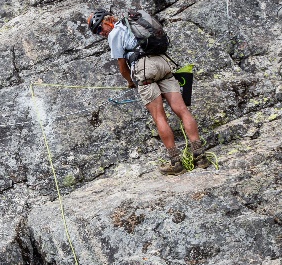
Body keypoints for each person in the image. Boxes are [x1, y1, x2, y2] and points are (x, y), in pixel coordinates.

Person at [88, 9, 208, 174]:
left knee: (159, 117)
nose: (100, 33)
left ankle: (176, 163)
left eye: (100, 28)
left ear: (107, 21)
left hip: (144, 69)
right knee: (182, 110)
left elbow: (122, 67)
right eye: (97, 32)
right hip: (162, 63)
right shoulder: (130, 24)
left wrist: (130, 82)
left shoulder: (115, 33)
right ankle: (200, 156)